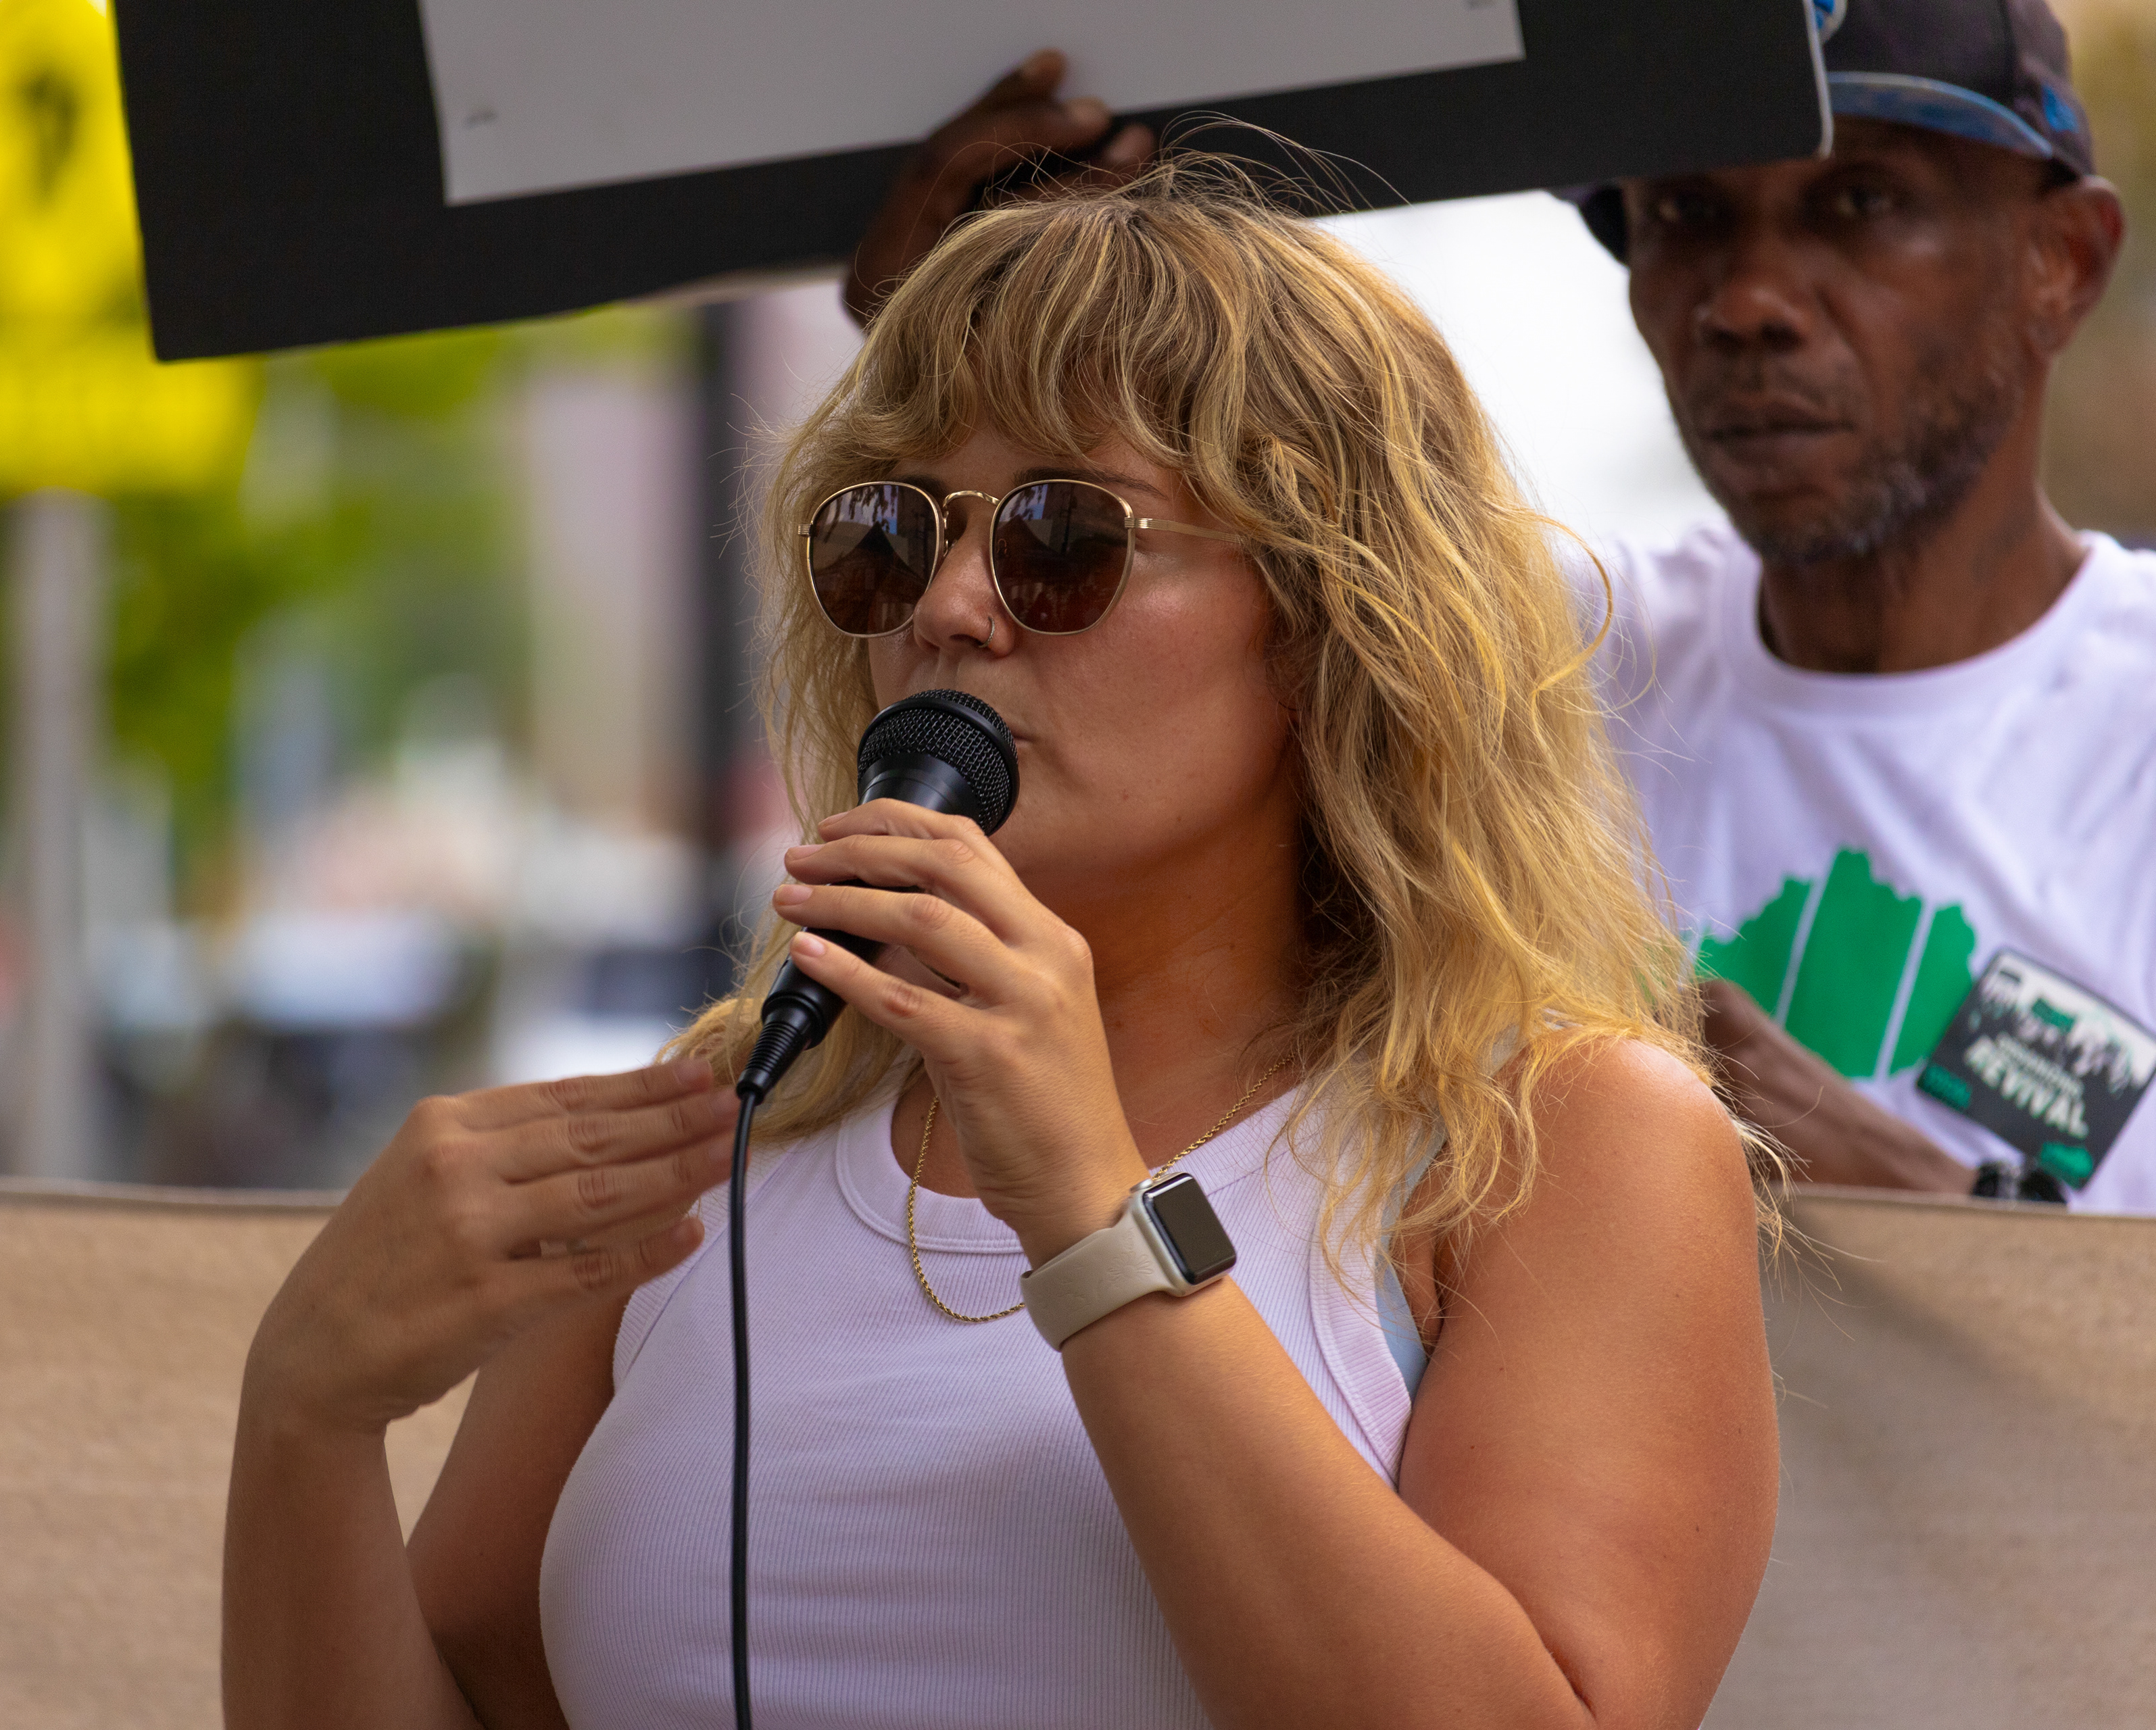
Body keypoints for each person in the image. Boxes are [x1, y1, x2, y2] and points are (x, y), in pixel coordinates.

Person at [225, 157, 1776, 1728]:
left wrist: (1094, 1210)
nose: (953, 608)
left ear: (1327, 628)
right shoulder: (723, 1113)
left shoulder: (1555, 1143)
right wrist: (306, 1414)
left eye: (1061, 535)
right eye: (889, 533)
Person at [846, 0, 2156, 1213]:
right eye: (1689, 214)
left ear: (2064, 260)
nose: (1751, 301)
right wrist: (959, 323)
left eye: (1862, 202)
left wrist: (1932, 1213)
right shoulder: (1530, 659)